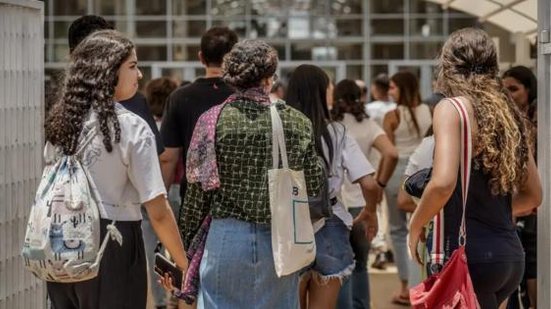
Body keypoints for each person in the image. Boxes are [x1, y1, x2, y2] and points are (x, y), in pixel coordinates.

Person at [169, 40, 324, 308]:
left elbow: (197, 194)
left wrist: (183, 246)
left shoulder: (211, 120)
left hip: (225, 239)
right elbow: (313, 181)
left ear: (232, 78)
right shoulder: (296, 121)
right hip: (279, 238)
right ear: (269, 78)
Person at [44, 30, 188, 309]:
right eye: (133, 66)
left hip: (61, 243)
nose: (140, 75)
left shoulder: (61, 124)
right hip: (112, 243)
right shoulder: (132, 127)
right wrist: (184, 264)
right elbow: (158, 211)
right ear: (108, 72)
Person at [408, 27, 542, 309]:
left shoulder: (452, 109)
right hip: (507, 255)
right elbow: (533, 195)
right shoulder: (509, 114)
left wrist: (416, 223)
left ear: (448, 64)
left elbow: (443, 183)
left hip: (467, 255)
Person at [286, 65, 380, 309]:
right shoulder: (337, 132)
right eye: (328, 86)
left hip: (289, 227)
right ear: (319, 92)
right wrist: (370, 211)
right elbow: (369, 183)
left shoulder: (281, 131)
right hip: (331, 225)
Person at [331, 79, 398, 309]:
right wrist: (378, 183)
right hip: (363, 204)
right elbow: (391, 153)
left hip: (337, 205)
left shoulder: (331, 125)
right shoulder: (368, 125)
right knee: (360, 265)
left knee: (340, 267)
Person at [160, 26, 237, 210]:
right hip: (238, 200)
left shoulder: (179, 98)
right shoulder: (244, 95)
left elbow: (168, 157)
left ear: (201, 57)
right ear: (234, 58)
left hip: (195, 198)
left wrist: (161, 205)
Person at [68, 15, 165, 156]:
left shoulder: (60, 109)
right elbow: (152, 157)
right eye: (132, 66)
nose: (139, 75)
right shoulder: (132, 105)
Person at [383, 70, 432, 306]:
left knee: (397, 230)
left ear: (402, 88)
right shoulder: (429, 111)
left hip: (397, 172)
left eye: (392, 87)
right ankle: (421, 282)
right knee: (422, 226)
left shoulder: (392, 116)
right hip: (423, 171)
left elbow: (390, 152)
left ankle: (405, 286)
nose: (389, 91)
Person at [503, 66, 538, 309]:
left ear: (529, 89)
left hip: (533, 204)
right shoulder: (507, 119)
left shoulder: (537, 119)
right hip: (517, 202)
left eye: (514, 89)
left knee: (532, 264)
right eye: (504, 89)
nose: (509, 95)